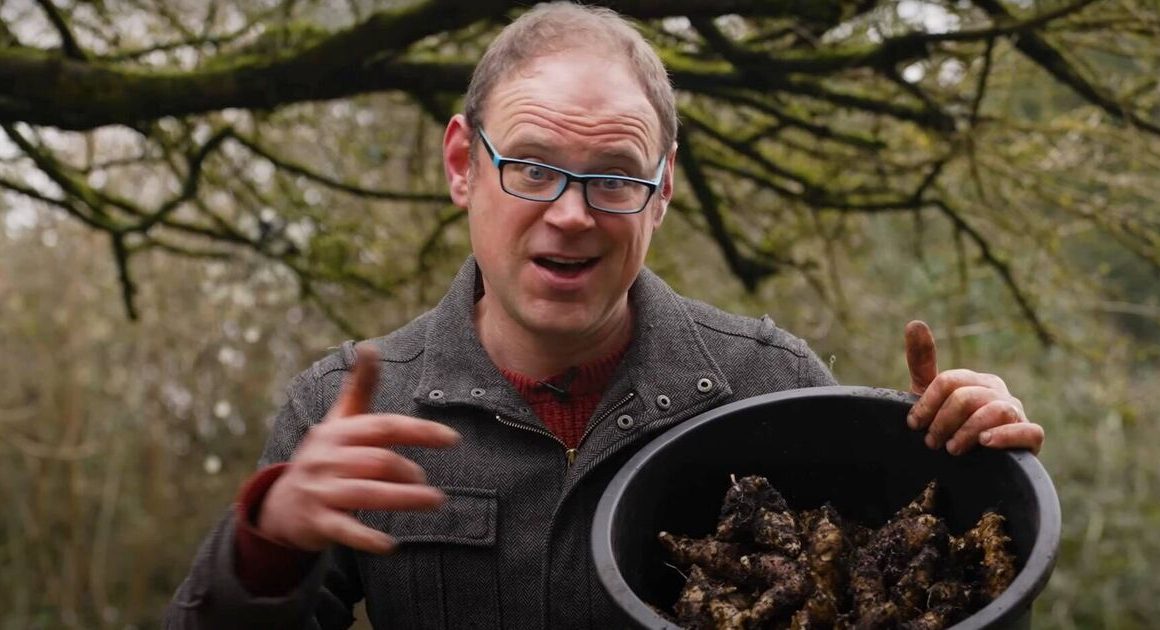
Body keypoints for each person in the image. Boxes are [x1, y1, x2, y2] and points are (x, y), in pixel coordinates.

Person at [165, 3, 1045, 628]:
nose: (572, 213)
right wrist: (265, 549)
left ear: (661, 192)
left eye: (615, 175)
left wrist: (969, 491)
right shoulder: (348, 411)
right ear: (464, 163)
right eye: (534, 166)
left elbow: (900, 597)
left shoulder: (768, 385)